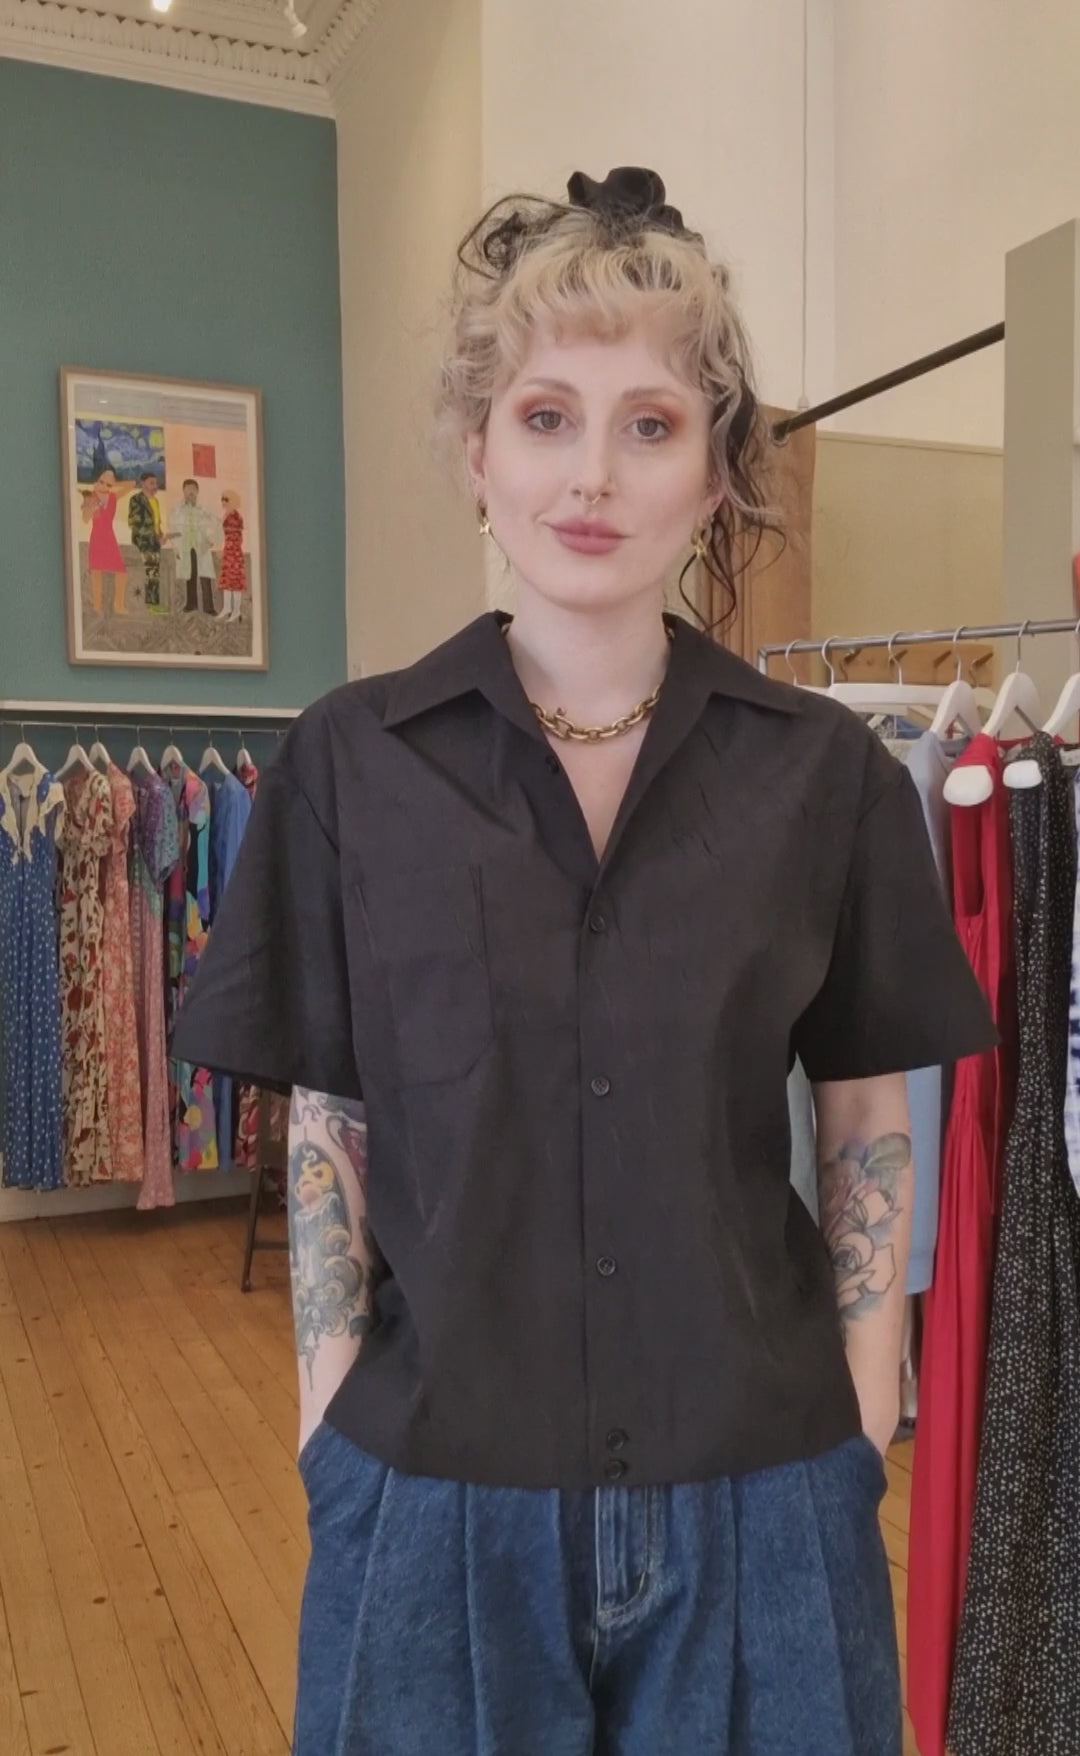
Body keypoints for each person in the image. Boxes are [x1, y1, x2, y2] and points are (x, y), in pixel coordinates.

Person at [171, 167, 997, 1756]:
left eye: (651, 424)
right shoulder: (354, 761)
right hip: (436, 1495)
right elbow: (332, 1116)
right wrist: (329, 1424)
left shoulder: (822, 775)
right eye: (547, 417)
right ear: (476, 453)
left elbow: (864, 1115)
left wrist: (858, 1418)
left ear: (718, 470)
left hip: (763, 1489)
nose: (592, 474)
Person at [81, 468, 136, 614]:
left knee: (121, 571)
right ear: (97, 481)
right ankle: (97, 607)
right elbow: (85, 519)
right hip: (96, 538)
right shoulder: (91, 497)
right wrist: (91, 509)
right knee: (96, 572)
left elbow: (132, 484)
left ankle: (119, 605)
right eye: (101, 481)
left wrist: (114, 484)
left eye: (108, 484)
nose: (104, 485)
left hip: (109, 537)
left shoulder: (112, 497)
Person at [163, 478, 220, 614]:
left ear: (197, 491)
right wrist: (176, 546)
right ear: (183, 491)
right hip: (186, 547)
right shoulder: (178, 510)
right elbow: (172, 526)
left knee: (205, 577)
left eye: (193, 489)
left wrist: (211, 539)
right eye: (188, 489)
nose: (191, 492)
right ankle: (191, 604)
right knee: (190, 575)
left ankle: (209, 607)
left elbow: (216, 522)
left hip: (201, 547)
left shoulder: (203, 508)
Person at [127, 471, 165, 611]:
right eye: (151, 483)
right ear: (143, 484)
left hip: (154, 543)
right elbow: (135, 523)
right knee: (151, 572)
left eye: (156, 483)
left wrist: (161, 535)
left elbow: (157, 524)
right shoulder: (136, 500)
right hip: (143, 542)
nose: (155, 486)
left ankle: (153, 604)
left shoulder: (155, 501)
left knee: (154, 573)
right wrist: (154, 536)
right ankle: (152, 605)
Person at [213, 488, 246, 622]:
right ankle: (227, 608)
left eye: (226, 500)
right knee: (227, 582)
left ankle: (236, 610)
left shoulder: (235, 517)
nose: (223, 502)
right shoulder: (227, 515)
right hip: (228, 553)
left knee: (235, 583)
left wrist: (224, 549)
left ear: (233, 501)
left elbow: (234, 538)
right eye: (222, 499)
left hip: (234, 554)